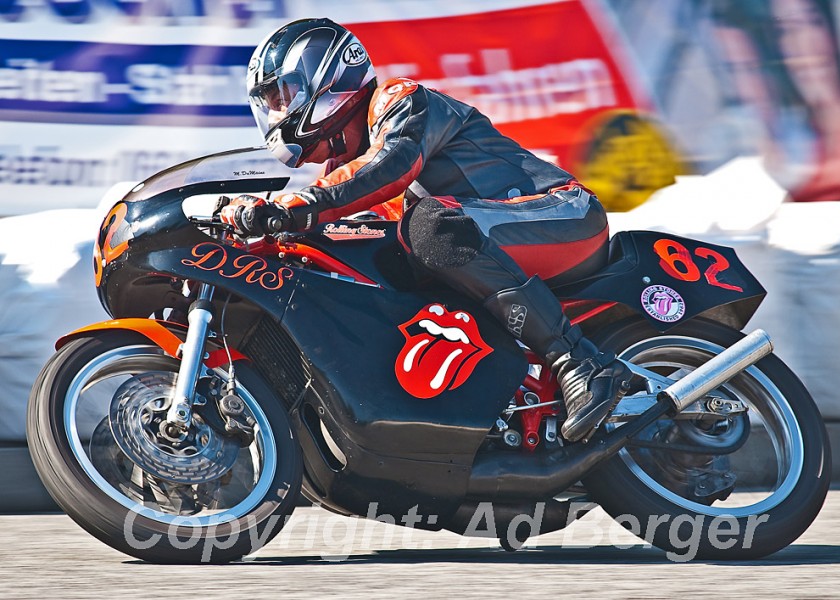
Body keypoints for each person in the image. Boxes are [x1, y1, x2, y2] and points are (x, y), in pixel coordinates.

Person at [222, 18, 632, 442]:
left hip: (561, 214)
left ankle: (580, 361)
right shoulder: (341, 176)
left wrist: (294, 207)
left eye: (281, 96)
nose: (275, 113)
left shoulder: (399, 101)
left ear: (326, 77)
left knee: (430, 225)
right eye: (268, 103)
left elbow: (392, 166)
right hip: (495, 243)